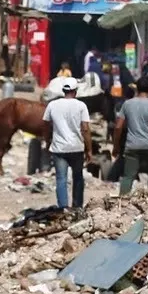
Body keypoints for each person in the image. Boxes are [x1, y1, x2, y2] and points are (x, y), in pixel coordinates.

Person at [43, 81, 93, 209]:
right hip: (76, 148)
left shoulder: (52, 105)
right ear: (75, 91)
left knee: (61, 179)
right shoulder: (81, 106)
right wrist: (89, 150)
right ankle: (77, 207)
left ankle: (63, 209)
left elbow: (46, 127)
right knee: (77, 178)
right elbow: (86, 129)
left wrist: (48, 142)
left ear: (63, 91)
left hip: (59, 148)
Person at [115, 77, 148, 195]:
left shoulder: (127, 104)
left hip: (131, 146)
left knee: (128, 176)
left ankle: (121, 203)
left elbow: (118, 127)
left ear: (137, 89)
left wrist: (116, 146)